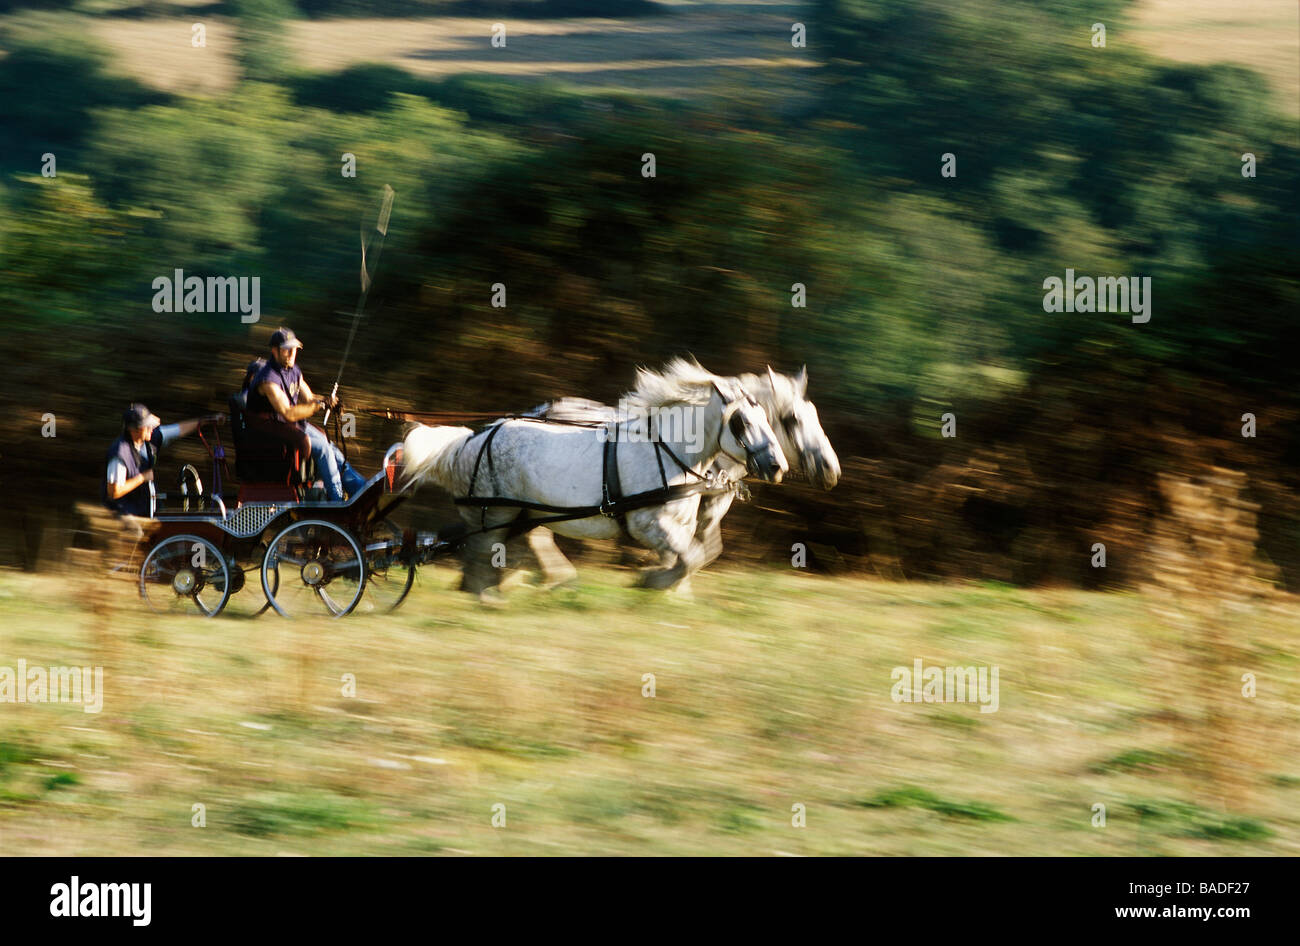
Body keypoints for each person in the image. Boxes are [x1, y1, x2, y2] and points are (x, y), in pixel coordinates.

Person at [245, 327, 365, 501]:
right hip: (270, 434)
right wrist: (318, 406)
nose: (292, 353)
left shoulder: (294, 370)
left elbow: (309, 398)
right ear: (275, 351)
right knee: (324, 450)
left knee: (328, 444)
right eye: (287, 349)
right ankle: (337, 501)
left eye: (294, 348)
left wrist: (328, 401)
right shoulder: (268, 379)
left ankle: (359, 489)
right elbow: (288, 413)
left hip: (289, 428)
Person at [103, 403, 221, 520]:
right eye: (146, 426)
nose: (151, 428)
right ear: (133, 430)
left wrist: (207, 420)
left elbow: (179, 429)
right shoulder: (120, 453)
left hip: (147, 506)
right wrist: (142, 478)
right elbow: (114, 492)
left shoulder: (152, 437)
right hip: (124, 512)